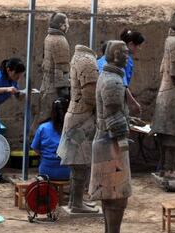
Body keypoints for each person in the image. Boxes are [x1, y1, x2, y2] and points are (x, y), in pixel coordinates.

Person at [89, 40, 131, 233]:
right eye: (124, 53)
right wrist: (123, 136)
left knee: (110, 197)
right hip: (111, 143)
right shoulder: (113, 81)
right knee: (117, 196)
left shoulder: (107, 76)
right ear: (114, 55)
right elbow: (113, 115)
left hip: (104, 140)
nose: (127, 55)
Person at [57, 45, 98, 213]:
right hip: (82, 118)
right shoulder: (87, 61)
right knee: (80, 164)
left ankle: (76, 201)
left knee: (79, 165)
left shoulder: (79, 58)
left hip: (77, 117)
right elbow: (90, 96)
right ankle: (76, 204)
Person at [151, 11, 175, 179]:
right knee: (173, 135)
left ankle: (164, 168)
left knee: (164, 134)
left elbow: (161, 69)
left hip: (164, 92)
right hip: (172, 93)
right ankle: (169, 169)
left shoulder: (168, 40)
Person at [97, 29, 145, 116]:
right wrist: (133, 103)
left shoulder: (101, 60)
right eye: (138, 46)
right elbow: (123, 84)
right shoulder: (124, 60)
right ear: (130, 44)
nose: (140, 49)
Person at [31, 98, 70, 181]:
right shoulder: (71, 129)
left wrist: (46, 156)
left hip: (46, 172)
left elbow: (35, 148)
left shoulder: (43, 127)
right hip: (66, 172)